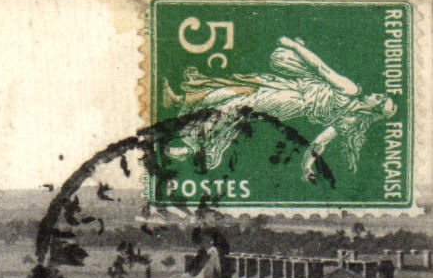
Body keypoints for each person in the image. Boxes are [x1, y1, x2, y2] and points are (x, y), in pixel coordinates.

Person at [162, 36, 395, 181]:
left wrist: (292, 45)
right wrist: (307, 166)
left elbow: (321, 68)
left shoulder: (351, 90)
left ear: (374, 108)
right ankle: (183, 103)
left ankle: (193, 145)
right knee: (239, 90)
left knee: (235, 106)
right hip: (292, 91)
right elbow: (318, 144)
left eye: (380, 98)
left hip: (292, 99)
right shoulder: (349, 120)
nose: (377, 94)